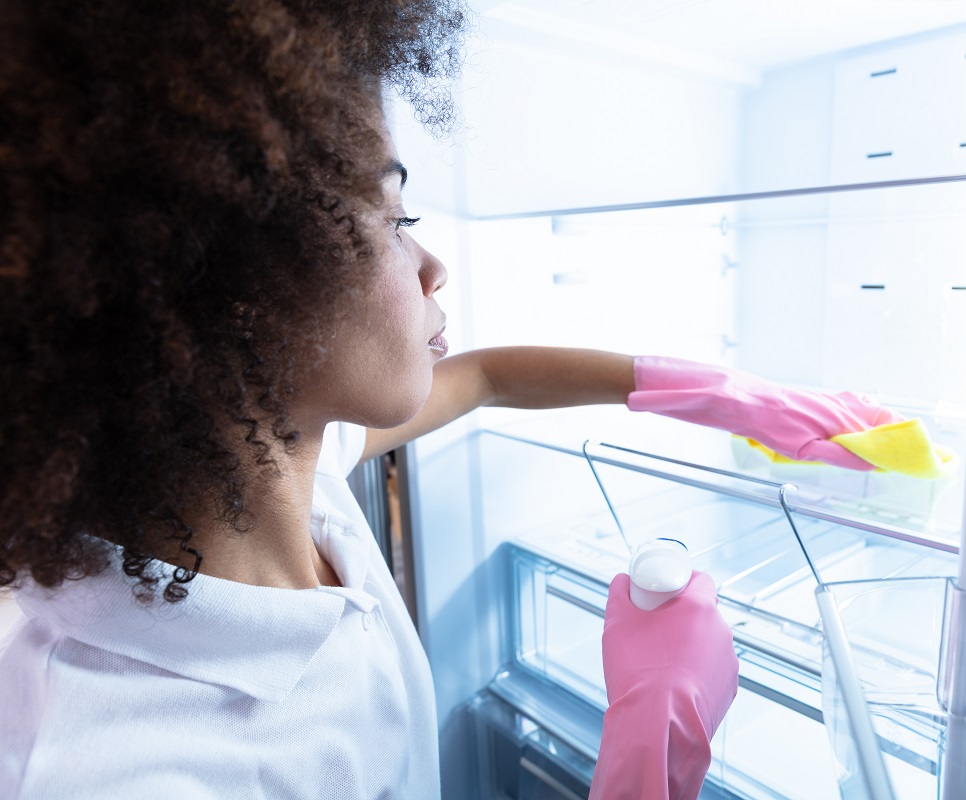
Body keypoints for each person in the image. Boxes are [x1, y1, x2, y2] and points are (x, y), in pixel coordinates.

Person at [0, 1, 903, 797]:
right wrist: (648, 751)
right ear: (236, 285)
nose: (433, 264)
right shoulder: (136, 770)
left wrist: (723, 395)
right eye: (396, 220)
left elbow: (483, 377)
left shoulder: (270, 474)